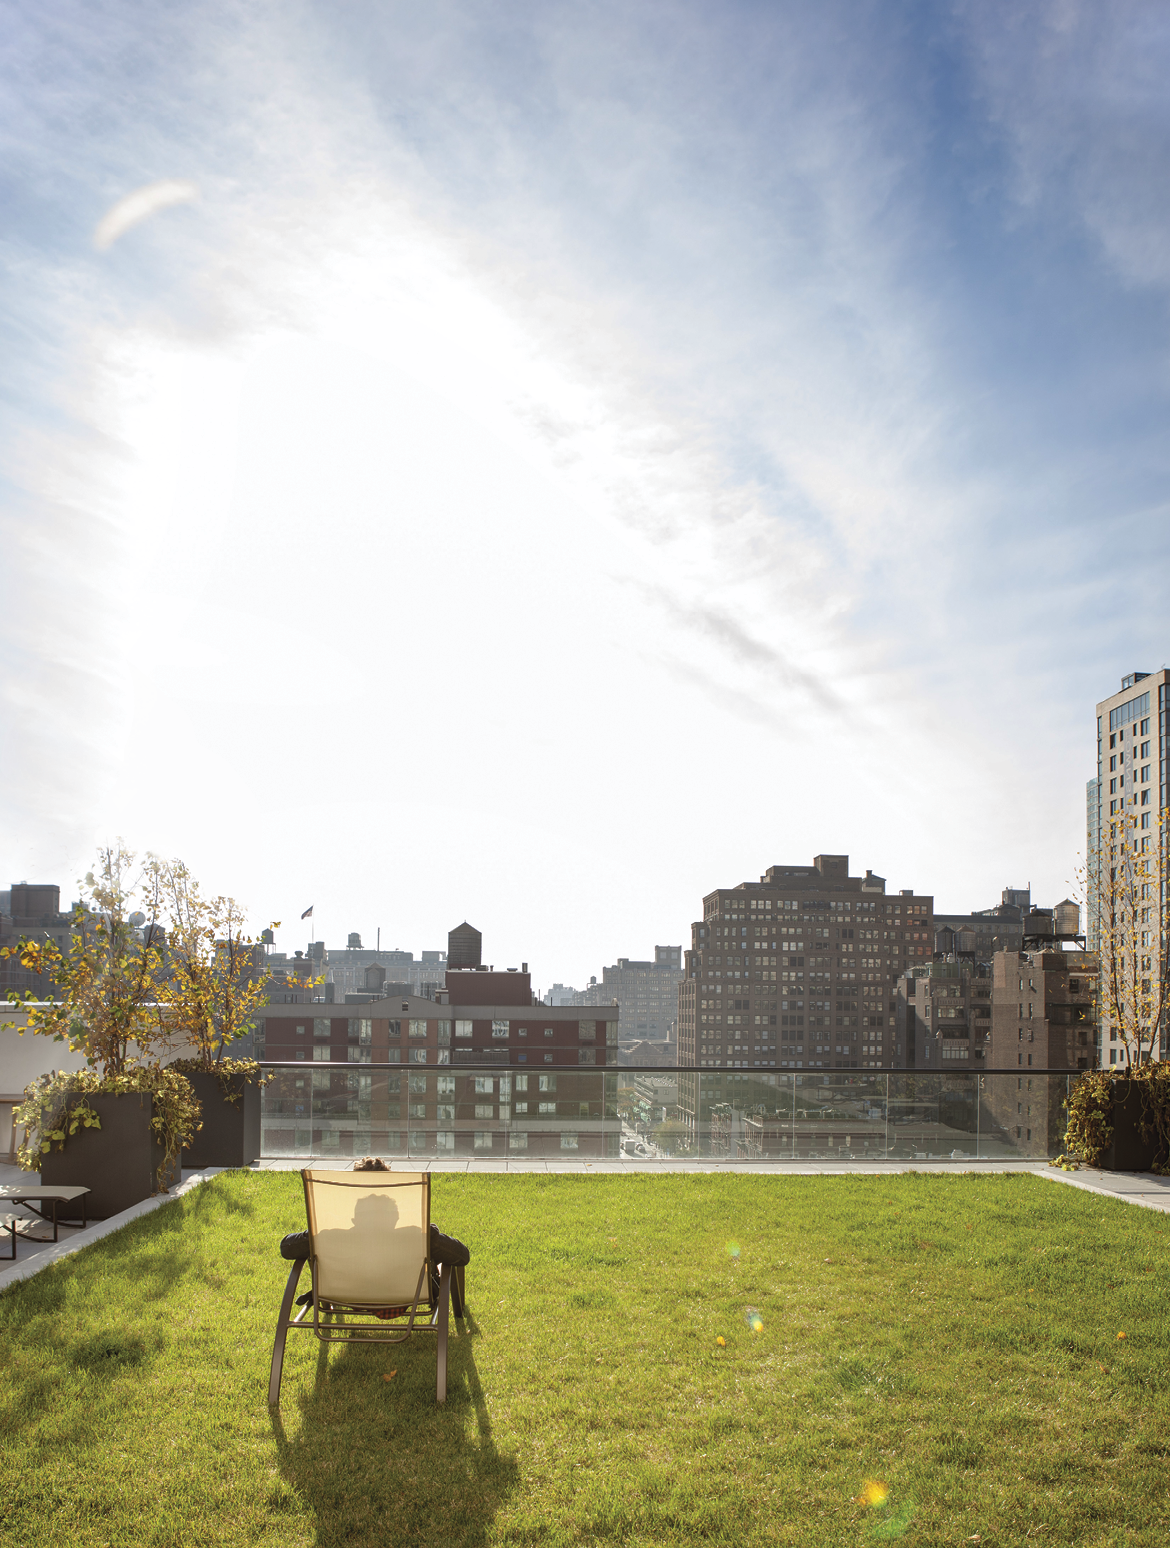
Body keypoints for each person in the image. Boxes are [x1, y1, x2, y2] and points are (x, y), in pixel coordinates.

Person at [278, 1156, 470, 1316]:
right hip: (403, 1297)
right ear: (394, 1212)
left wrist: (314, 1233)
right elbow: (462, 1256)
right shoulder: (416, 1237)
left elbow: (286, 1248)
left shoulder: (331, 1237)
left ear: (352, 1197)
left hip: (348, 1294)